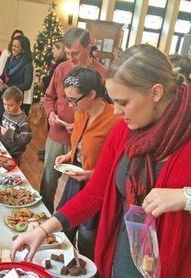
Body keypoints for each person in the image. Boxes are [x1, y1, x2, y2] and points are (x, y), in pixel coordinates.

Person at [12, 44, 191, 278]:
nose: (116, 112)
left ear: (155, 92)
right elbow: (95, 193)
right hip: (125, 275)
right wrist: (45, 229)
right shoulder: (126, 129)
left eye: (123, 102)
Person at [54, 66, 120, 260]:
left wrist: (92, 174)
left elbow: (117, 165)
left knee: (87, 237)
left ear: (92, 94)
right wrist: (70, 156)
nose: (70, 105)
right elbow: (81, 143)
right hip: (76, 180)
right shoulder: (81, 112)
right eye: (68, 99)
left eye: (73, 100)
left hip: (97, 186)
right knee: (64, 230)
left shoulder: (115, 120)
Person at [39, 27, 107, 213]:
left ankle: (68, 220)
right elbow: (48, 97)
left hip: (85, 141)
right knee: (48, 181)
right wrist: (51, 114)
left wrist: (81, 126)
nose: (71, 58)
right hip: (57, 135)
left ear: (89, 47)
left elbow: (104, 111)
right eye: (68, 53)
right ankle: (44, 218)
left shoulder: (102, 74)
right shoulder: (62, 68)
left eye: (75, 53)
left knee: (75, 187)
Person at [38, 39, 67, 160]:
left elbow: (51, 81)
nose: (52, 51)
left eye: (54, 49)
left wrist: (44, 78)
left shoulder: (61, 64)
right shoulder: (59, 64)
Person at [0, 35, 33, 119]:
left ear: (23, 48)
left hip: (14, 99)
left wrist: (11, 88)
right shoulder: (10, 59)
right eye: (12, 45)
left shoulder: (28, 64)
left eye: (16, 46)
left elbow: (27, 84)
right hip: (3, 95)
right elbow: (4, 75)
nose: (13, 48)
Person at [0, 86, 32, 164]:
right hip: (3, 148)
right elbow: (5, 126)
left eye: (10, 105)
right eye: (4, 104)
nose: (7, 108)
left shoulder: (23, 121)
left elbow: (25, 139)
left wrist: (8, 133)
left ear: (20, 103)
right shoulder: (6, 113)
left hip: (14, 154)